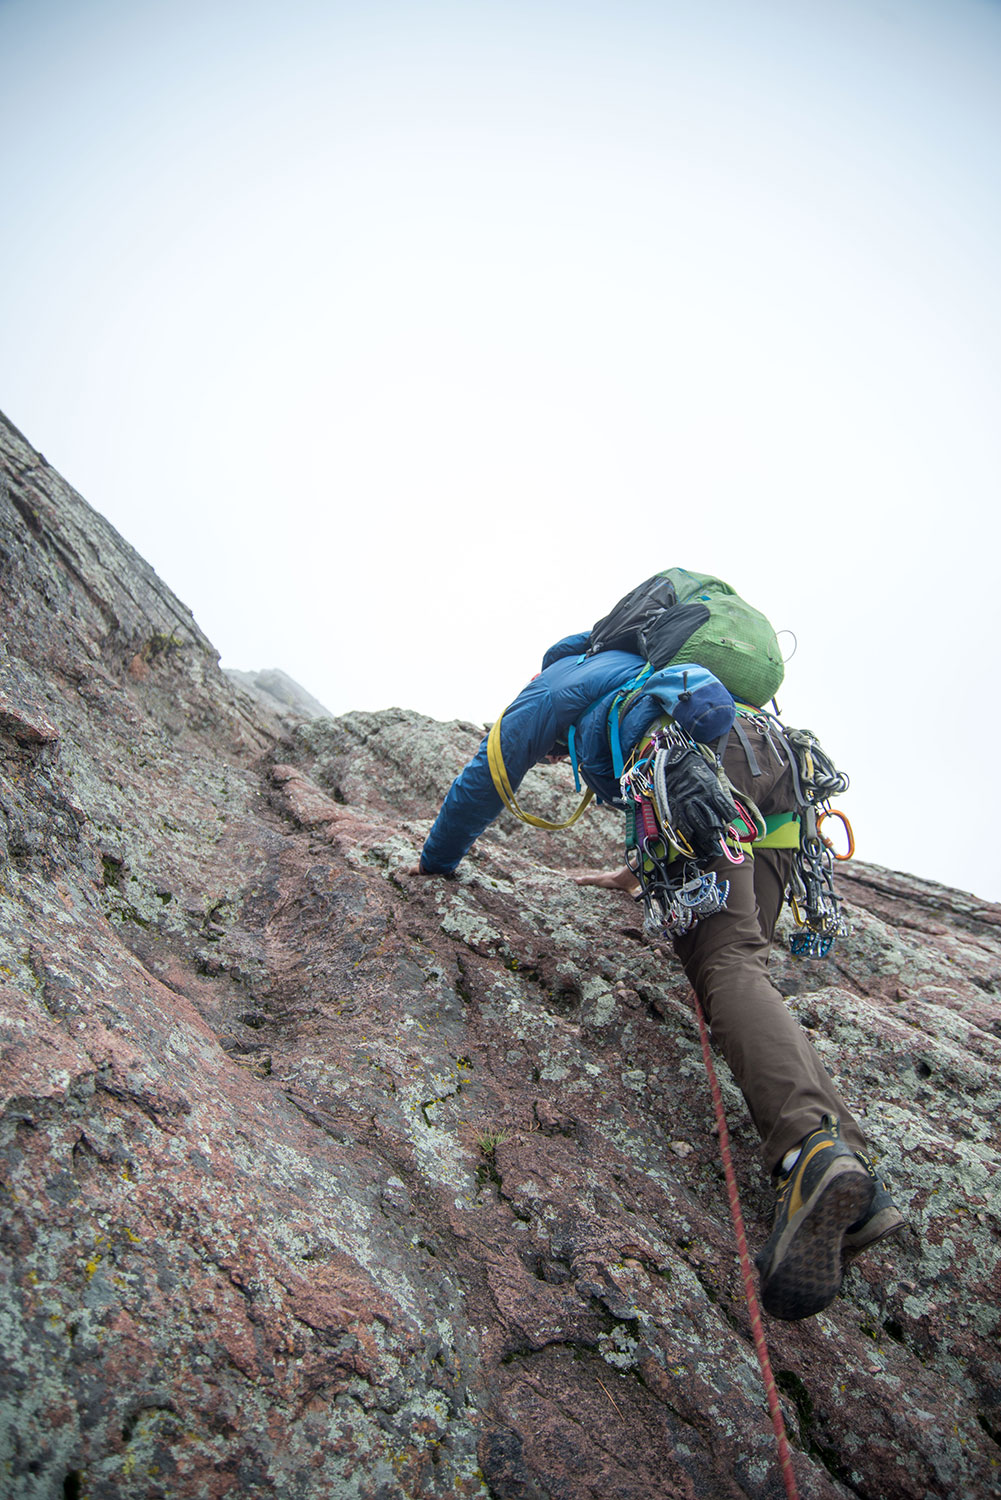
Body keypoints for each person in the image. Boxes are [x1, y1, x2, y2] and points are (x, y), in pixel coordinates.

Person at [410, 621, 903, 1321]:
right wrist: (634, 869)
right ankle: (853, 1186)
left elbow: (484, 777)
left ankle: (809, 1153)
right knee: (742, 962)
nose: (553, 759)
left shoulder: (559, 681)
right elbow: (652, 783)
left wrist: (434, 863)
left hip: (707, 764)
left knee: (722, 963)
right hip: (778, 778)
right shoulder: (660, 675)